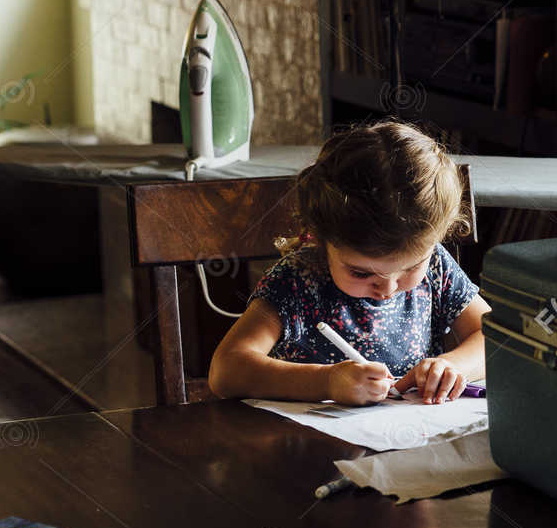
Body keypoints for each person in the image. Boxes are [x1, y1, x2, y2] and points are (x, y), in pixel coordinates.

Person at [208, 121, 489, 406]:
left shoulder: (437, 266)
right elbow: (226, 371)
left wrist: (453, 366)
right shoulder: (299, 280)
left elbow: (495, 340)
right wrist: (326, 382)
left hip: (408, 438)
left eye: (411, 268)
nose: (388, 289)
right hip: (309, 441)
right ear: (320, 239)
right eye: (361, 272)